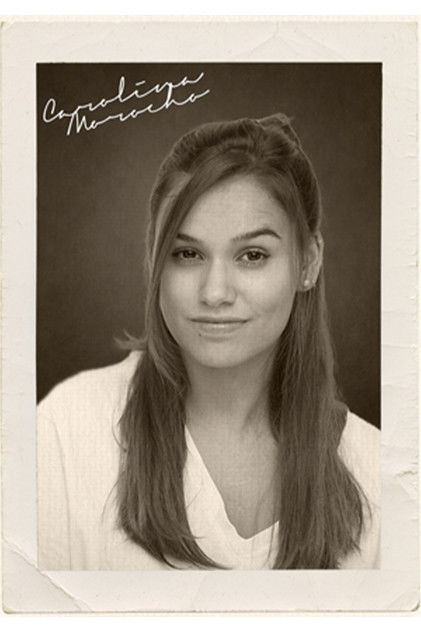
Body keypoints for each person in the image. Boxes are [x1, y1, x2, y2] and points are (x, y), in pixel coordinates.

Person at [37, 113, 380, 570]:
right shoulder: (65, 432)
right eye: (188, 254)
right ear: (155, 261)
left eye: (252, 255)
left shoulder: (381, 474)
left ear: (308, 263)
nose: (215, 292)